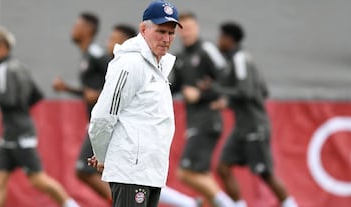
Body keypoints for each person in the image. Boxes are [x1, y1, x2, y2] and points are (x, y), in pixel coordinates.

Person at [87, 0, 182, 206]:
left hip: (150, 171)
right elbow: (103, 116)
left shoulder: (159, 64)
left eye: (171, 33)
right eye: (160, 31)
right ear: (143, 29)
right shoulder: (131, 64)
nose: (166, 39)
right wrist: (103, 156)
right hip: (132, 172)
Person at [0, 27, 79, 207]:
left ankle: (71, 204)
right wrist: (22, 113)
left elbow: (9, 100)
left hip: (20, 135)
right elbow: (37, 95)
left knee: (38, 180)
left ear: (2, 47)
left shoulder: (4, 68)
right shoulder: (20, 67)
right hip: (10, 135)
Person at [202, 22, 298, 207]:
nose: (218, 41)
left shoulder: (240, 59)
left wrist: (216, 89)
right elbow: (262, 90)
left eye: (221, 37)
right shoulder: (239, 60)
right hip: (241, 128)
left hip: (255, 126)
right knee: (223, 167)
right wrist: (228, 101)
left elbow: (246, 91)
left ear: (229, 39)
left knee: (265, 173)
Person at [169, 12, 235, 207]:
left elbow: (228, 78)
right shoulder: (180, 58)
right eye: (183, 29)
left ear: (197, 28)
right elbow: (174, 87)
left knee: (185, 173)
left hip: (208, 121)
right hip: (194, 121)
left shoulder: (206, 50)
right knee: (202, 174)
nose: (187, 32)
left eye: (190, 28)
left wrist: (202, 94)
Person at [52, 12, 113, 204]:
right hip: (96, 123)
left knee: (84, 169)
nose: (73, 29)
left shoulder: (96, 54)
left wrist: (101, 92)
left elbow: (117, 78)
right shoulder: (87, 56)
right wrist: (67, 88)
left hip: (103, 123)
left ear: (88, 29)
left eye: (77, 25)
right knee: (94, 171)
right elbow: (89, 93)